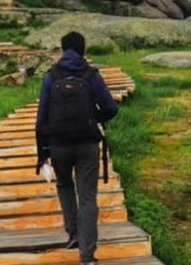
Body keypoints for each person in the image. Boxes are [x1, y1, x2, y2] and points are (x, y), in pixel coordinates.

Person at [36, 31, 119, 265]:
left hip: (58, 145)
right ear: (83, 49)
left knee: (64, 185)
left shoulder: (51, 76)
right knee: (88, 198)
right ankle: (87, 257)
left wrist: (43, 152)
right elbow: (111, 108)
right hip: (87, 145)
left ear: (63, 50)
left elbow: (41, 117)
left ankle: (73, 234)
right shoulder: (91, 74)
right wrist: (94, 119)